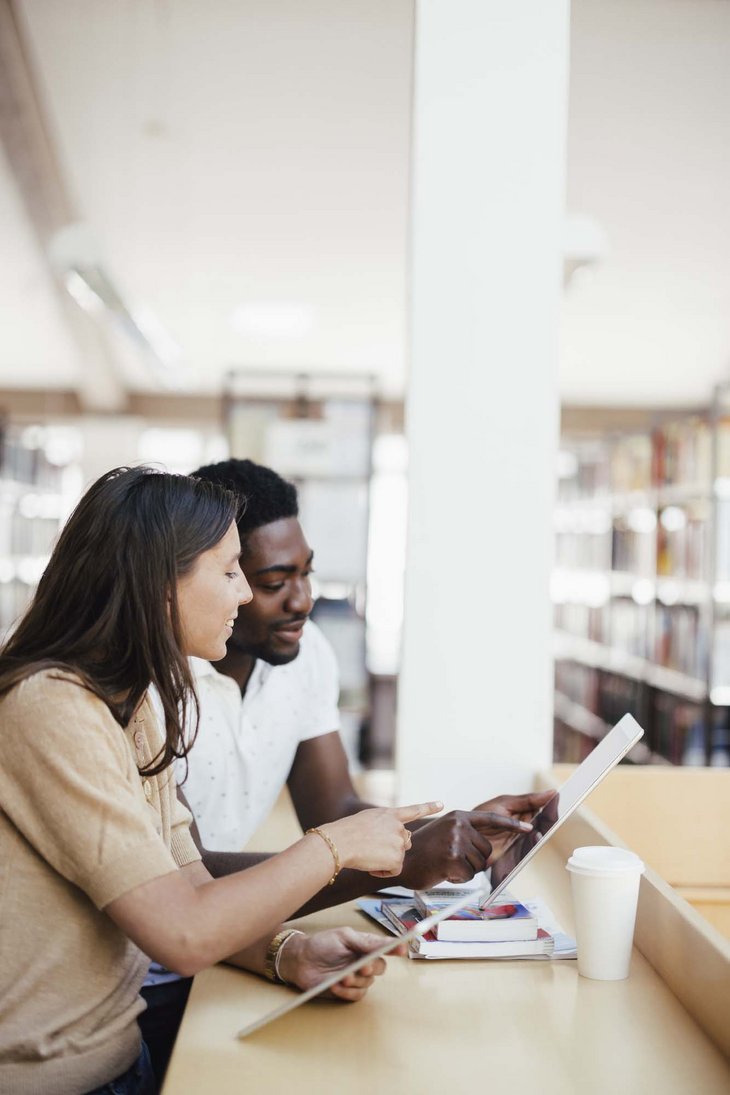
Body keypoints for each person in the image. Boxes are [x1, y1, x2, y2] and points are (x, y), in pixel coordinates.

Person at [0, 466, 441, 1095]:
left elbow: (190, 881)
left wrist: (284, 951)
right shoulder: (51, 709)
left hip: (120, 1062)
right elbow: (182, 933)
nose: (243, 594)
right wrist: (336, 845)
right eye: (231, 571)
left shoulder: (134, 703)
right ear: (159, 586)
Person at [178, 457, 553, 899]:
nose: (303, 601)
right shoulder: (152, 681)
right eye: (274, 582)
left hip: (222, 935)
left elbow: (334, 809)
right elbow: (187, 878)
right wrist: (405, 863)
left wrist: (458, 830)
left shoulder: (308, 653)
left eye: (306, 573)